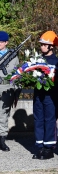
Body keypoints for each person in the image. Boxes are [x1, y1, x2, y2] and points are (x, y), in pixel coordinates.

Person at [32, 31, 58, 160]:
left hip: (50, 97)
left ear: (51, 46)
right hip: (38, 95)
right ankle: (40, 146)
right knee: (38, 120)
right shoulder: (37, 60)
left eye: (44, 44)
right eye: (41, 44)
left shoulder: (55, 62)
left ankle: (49, 148)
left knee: (49, 121)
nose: (41, 46)